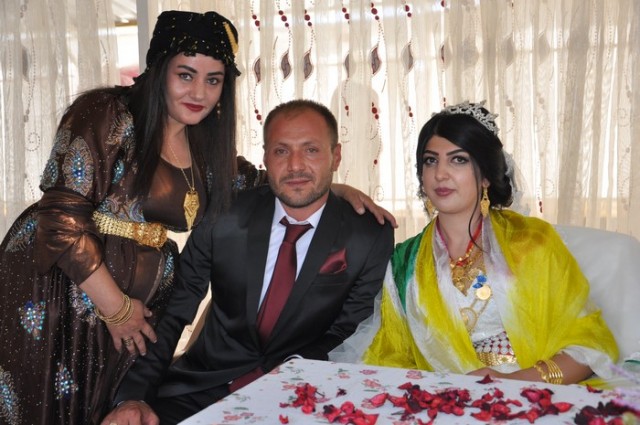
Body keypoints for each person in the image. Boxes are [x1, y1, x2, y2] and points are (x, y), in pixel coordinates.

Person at [0, 11, 393, 425]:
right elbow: (59, 217)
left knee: (102, 412)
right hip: (59, 291)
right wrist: (116, 308)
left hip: (129, 313)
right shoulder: (108, 112)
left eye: (213, 80)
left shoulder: (205, 146)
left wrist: (337, 189)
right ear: (159, 70)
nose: (199, 92)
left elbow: (276, 181)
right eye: (185, 75)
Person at [100, 99, 395, 425]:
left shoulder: (368, 235)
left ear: (335, 156)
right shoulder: (223, 216)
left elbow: (349, 331)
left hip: (301, 393)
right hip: (204, 387)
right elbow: (175, 309)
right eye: (281, 151)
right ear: (266, 158)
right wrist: (134, 396)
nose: (295, 165)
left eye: (311, 150)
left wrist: (285, 377)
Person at [329, 101, 619, 385]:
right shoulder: (405, 262)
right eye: (431, 160)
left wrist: (511, 383)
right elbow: (391, 357)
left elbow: (588, 345)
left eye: (459, 160)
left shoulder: (530, 242)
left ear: (486, 177)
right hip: (444, 399)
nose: (440, 173)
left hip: (530, 393)